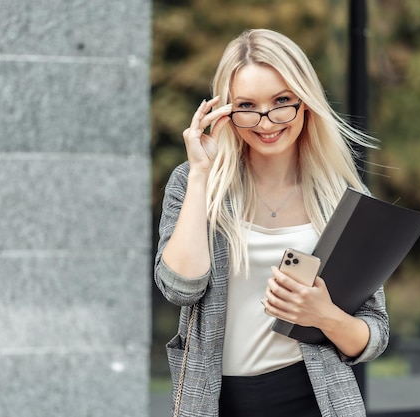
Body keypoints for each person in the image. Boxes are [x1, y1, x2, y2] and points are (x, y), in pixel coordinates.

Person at [154, 28, 389, 417]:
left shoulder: (343, 195)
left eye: (282, 101)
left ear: (305, 101)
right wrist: (200, 173)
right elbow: (180, 288)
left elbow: (374, 333)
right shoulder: (195, 181)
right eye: (247, 105)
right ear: (225, 111)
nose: (267, 121)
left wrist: (323, 315)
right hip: (216, 401)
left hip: (316, 399)